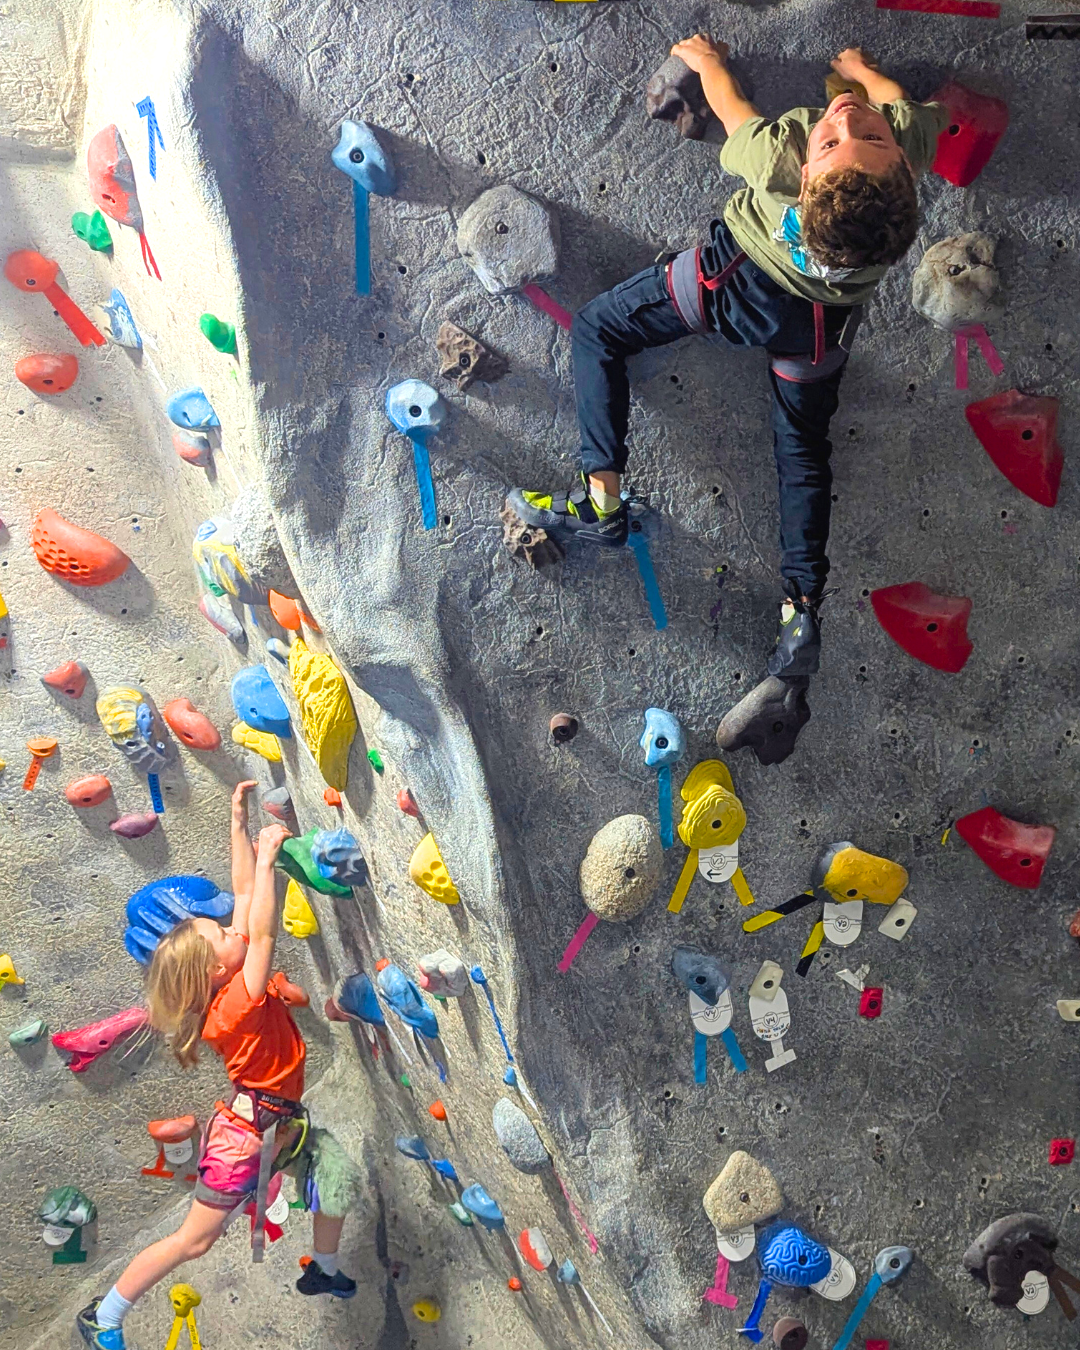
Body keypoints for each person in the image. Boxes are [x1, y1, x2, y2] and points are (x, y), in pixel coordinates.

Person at [509, 37, 948, 689]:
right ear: (906, 173)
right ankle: (801, 608)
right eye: (864, 133)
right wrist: (866, 75)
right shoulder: (907, 149)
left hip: (731, 287)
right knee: (802, 451)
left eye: (834, 141)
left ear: (804, 177)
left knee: (599, 329)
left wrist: (707, 63)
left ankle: (601, 499)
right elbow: (902, 106)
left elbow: (731, 107)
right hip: (818, 333)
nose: (848, 118)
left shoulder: (779, 155)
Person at [77, 782, 363, 1350]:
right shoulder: (236, 1005)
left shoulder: (229, 983)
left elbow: (243, 897)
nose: (234, 927)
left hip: (281, 1124)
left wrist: (238, 823)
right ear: (212, 970)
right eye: (222, 934)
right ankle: (104, 1316)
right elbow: (262, 928)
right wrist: (269, 860)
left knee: (335, 1174)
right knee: (195, 1241)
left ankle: (324, 1268)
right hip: (248, 1139)